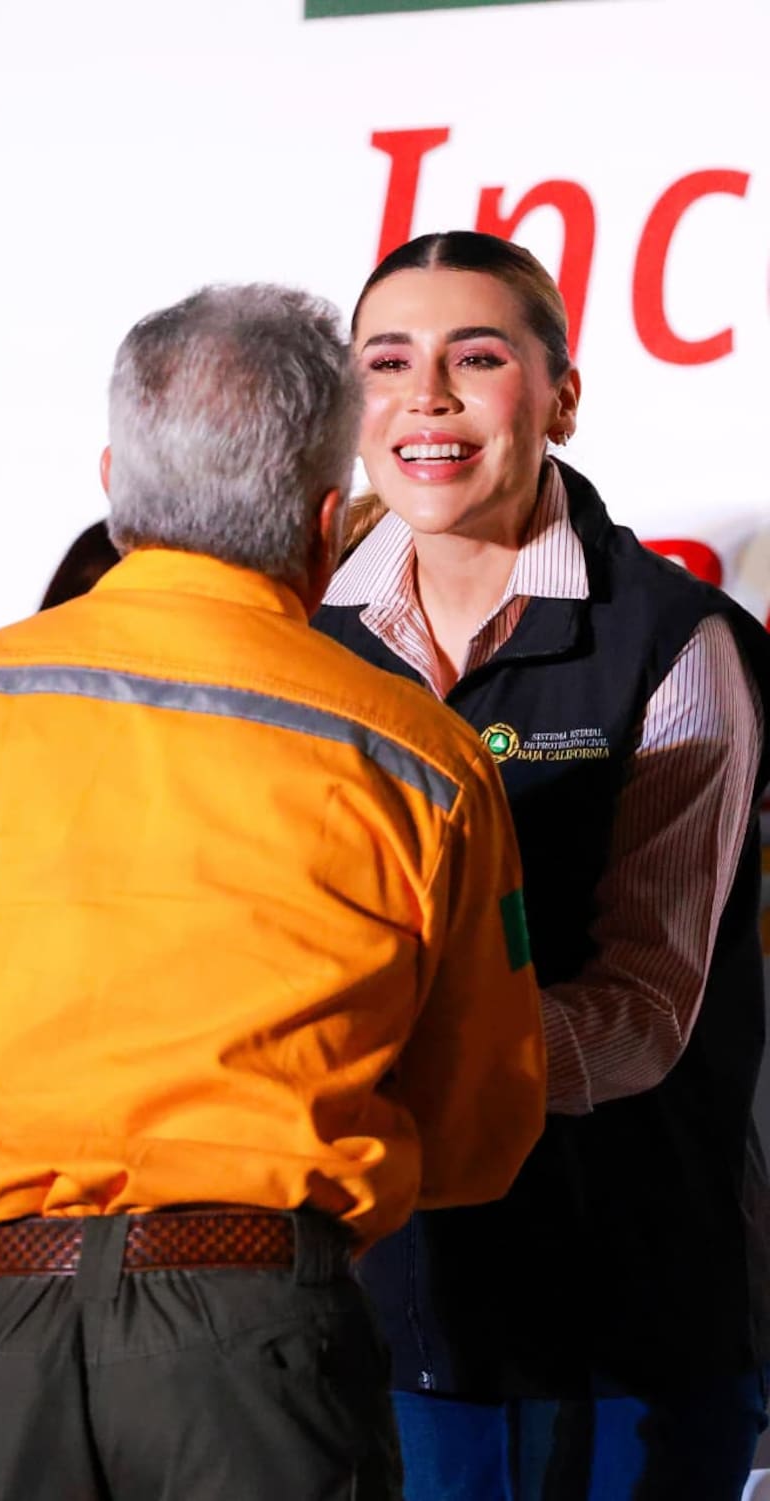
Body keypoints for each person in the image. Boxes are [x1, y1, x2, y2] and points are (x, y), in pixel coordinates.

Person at [0, 283, 546, 1501]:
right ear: (330, 522)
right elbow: (481, 1129)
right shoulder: (424, 759)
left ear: (114, 484)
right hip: (265, 1349)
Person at [314, 230, 770, 1501]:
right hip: (372, 1305)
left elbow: (645, 1009)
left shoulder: (676, 642)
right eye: (387, 362)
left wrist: (377, 1065)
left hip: (622, 1317)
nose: (426, 398)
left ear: (563, 396)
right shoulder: (304, 643)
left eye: (476, 358)